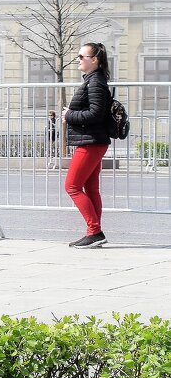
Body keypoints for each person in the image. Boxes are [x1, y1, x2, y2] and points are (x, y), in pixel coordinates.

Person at [63, 42, 113, 249]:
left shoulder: (95, 83)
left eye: (81, 56)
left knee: (72, 186)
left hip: (91, 141)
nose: (78, 59)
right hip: (92, 140)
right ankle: (94, 233)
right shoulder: (93, 80)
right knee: (91, 188)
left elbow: (95, 114)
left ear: (95, 60)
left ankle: (94, 231)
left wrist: (69, 115)